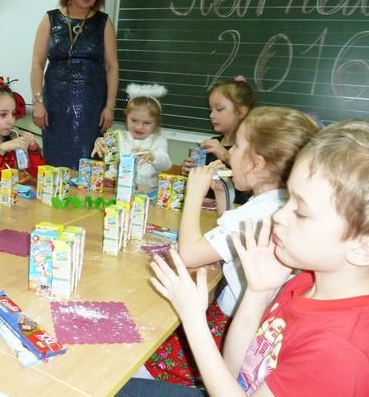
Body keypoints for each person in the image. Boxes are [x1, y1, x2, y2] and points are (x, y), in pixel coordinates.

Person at [119, 119, 369, 396]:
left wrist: (193, 319)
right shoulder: (306, 284)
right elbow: (236, 372)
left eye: (301, 211)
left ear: (362, 247)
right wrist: (257, 292)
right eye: (288, 200)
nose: (278, 215)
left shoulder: (337, 349)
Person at [143, 107, 320, 385]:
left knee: (142, 352)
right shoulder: (277, 201)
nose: (230, 152)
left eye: (236, 146)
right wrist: (222, 197)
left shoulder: (263, 210)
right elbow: (232, 239)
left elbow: (189, 255)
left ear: (257, 164)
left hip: (229, 329)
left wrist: (193, 193)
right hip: (244, 324)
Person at [31, 0, 119, 170]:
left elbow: (112, 67)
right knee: (55, 169)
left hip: (92, 109)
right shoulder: (50, 19)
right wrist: (38, 103)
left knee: (89, 168)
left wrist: (109, 107)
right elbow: (37, 64)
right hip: (55, 108)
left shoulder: (104, 22)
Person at [182, 76, 256, 205]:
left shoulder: (252, 146)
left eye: (219, 109)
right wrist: (190, 172)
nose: (211, 115)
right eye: (211, 110)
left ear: (241, 112)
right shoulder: (213, 143)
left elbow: (252, 181)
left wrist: (225, 155)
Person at [90, 83, 171, 191]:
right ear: (126, 116)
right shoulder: (119, 135)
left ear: (156, 122)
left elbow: (166, 164)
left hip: (144, 189)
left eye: (147, 123)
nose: (139, 127)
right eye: (134, 120)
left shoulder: (158, 140)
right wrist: (99, 142)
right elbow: (105, 145)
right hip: (114, 184)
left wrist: (153, 156)